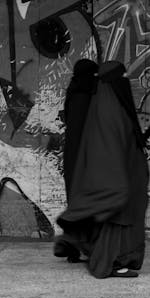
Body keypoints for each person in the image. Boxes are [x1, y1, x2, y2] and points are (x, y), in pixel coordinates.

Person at [56, 61, 150, 278]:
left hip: (93, 169)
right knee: (116, 216)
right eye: (122, 76)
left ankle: (85, 247)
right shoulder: (109, 105)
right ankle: (113, 261)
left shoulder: (98, 99)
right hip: (114, 174)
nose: (125, 80)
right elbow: (112, 144)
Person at [53, 59, 99, 263]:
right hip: (84, 156)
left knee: (78, 201)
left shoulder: (74, 91)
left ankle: (71, 245)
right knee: (86, 202)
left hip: (73, 154)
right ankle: (73, 243)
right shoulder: (84, 95)